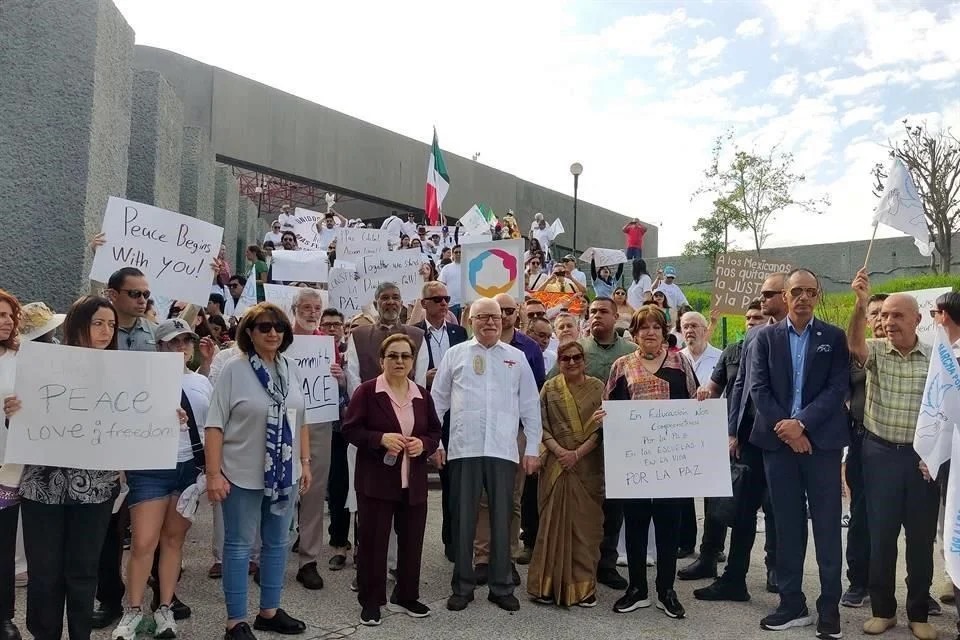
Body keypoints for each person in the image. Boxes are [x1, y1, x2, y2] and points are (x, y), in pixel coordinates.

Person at [11, 296, 184, 640]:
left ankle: (79, 634)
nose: (106, 331)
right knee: (45, 572)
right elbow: (23, 410)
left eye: (111, 325)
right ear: (78, 324)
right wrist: (13, 409)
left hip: (96, 489)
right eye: (97, 323)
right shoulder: (44, 363)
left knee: (82, 571)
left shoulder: (124, 372)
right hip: (41, 486)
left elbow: (139, 414)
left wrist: (168, 416)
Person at [749, 268, 849, 638]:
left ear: (818, 295)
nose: (803, 297)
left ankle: (829, 608)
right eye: (796, 291)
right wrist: (789, 432)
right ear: (786, 297)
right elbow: (759, 389)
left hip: (821, 446)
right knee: (787, 526)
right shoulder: (765, 338)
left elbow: (837, 388)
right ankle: (792, 603)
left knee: (826, 528)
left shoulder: (833, 338)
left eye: (810, 291)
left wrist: (802, 424)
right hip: (779, 446)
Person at [204, 302, 313, 639]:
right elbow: (214, 425)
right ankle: (235, 621)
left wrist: (305, 463)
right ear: (249, 332)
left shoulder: (291, 367)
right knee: (237, 546)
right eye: (264, 326)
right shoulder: (234, 370)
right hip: (239, 474)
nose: (273, 332)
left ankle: (269, 610)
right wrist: (213, 475)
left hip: (285, 475)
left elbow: (300, 418)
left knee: (278, 543)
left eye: (279, 326)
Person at [432, 297, 542, 613]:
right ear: (470, 320)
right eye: (483, 317)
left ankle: (501, 586)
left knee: (502, 518)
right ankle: (463, 586)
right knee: (464, 520)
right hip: (464, 449)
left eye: (495, 317)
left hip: (503, 449)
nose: (490, 322)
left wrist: (532, 448)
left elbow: (530, 407)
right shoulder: (455, 355)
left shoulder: (517, 358)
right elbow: (437, 402)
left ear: (505, 320)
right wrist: (436, 443)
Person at [848, 269, 937, 640]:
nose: (888, 322)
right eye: (884, 316)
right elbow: (853, 344)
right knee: (881, 537)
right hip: (880, 455)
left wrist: (936, 453)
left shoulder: (937, 360)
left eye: (897, 315)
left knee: (920, 540)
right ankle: (883, 611)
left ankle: (919, 613)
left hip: (921, 463)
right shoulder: (876, 353)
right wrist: (860, 304)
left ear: (918, 320)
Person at [112, 318, 213, 640]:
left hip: (188, 469)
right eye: (174, 342)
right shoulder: (140, 380)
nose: (181, 347)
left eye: (186, 341)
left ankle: (165, 607)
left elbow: (212, 427)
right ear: (159, 346)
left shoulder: (201, 382)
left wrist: (210, 470)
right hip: (151, 467)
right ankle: (133, 610)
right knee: (143, 542)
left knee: (173, 541)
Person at [694, 275, 789, 604]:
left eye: (768, 294)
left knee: (778, 508)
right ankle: (734, 579)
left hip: (786, 438)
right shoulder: (753, 338)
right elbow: (741, 388)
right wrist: (733, 432)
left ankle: (780, 575)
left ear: (787, 296)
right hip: (750, 438)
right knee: (742, 511)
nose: (762, 300)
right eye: (760, 295)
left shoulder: (804, 336)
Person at [342, 334, 443, 626]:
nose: (400, 361)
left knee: (412, 542)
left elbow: (435, 432)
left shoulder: (422, 395)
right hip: (376, 482)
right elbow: (350, 430)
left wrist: (423, 444)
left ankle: (406, 595)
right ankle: (371, 601)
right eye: (393, 356)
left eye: (405, 356)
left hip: (413, 483)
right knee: (374, 542)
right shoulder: (367, 391)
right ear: (382, 359)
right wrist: (379, 438)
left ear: (413, 361)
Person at [606, 305, 696, 619]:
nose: (650, 332)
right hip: (635, 463)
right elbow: (611, 409)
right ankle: (637, 589)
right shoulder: (621, 366)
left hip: (671, 462)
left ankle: (666, 590)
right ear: (634, 333)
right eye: (643, 327)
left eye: (656, 327)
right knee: (635, 525)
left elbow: (694, 406)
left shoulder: (680, 362)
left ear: (664, 330)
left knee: (670, 526)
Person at [682, 300, 765, 582]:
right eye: (749, 317)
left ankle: (773, 569)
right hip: (731, 441)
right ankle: (708, 558)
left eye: (759, 317)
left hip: (766, 442)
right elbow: (714, 387)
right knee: (717, 502)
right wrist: (705, 393)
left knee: (764, 510)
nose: (753, 321)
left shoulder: (778, 348)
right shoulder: (732, 352)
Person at [527, 341, 606, 607]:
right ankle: (546, 586)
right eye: (565, 358)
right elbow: (540, 424)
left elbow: (602, 429)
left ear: (584, 360)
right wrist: (561, 451)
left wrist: (577, 454)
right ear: (558, 361)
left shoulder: (597, 388)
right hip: (556, 467)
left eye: (576, 357)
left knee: (585, 529)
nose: (571, 362)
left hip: (587, 468)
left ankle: (583, 588)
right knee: (550, 527)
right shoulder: (550, 388)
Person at [473, 293, 545, 578]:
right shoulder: (469, 349)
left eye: (507, 311)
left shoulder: (527, 349)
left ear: (516, 314)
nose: (499, 316)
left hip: (514, 433)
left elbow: (533, 397)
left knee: (512, 499)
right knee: (482, 498)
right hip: (479, 433)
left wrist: (532, 443)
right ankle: (482, 557)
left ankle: (508, 556)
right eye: (494, 311)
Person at [412, 282, 468, 561]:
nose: (444, 303)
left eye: (447, 298)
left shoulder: (460, 333)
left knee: (453, 483)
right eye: (437, 299)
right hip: (419, 416)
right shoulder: (413, 334)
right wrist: (426, 377)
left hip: (452, 417)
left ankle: (452, 541)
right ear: (424, 304)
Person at [291, 290, 343, 590]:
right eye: (306, 307)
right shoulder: (281, 337)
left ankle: (308, 560)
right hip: (286, 422)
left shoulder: (327, 343)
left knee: (313, 492)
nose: (312, 312)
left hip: (319, 422)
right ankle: (266, 554)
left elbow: (337, 383)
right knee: (279, 491)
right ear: (295, 309)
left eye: (316, 308)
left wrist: (339, 376)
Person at [841, 292, 887, 609]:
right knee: (861, 515)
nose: (883, 319)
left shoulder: (918, 355)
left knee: (909, 519)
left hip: (904, 445)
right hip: (862, 440)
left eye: (888, 313)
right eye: (875, 313)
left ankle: (918, 590)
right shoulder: (856, 354)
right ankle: (859, 582)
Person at [319, 309, 352, 572]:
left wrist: (343, 381)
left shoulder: (352, 351)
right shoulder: (312, 351)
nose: (332, 329)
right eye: (327, 324)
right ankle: (339, 544)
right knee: (337, 487)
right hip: (326, 430)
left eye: (336, 324)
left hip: (351, 427)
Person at [0, 291, 21, 640]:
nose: (5, 320)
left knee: (3, 544)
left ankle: (4, 616)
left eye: (8, 315)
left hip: (8, 467)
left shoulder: (23, 357)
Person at [438, 246, 463, 320]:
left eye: (460, 252)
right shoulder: (446, 268)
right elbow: (441, 284)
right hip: (451, 303)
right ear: (452, 254)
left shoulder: (469, 266)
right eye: (456, 252)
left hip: (465, 304)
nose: (458, 254)